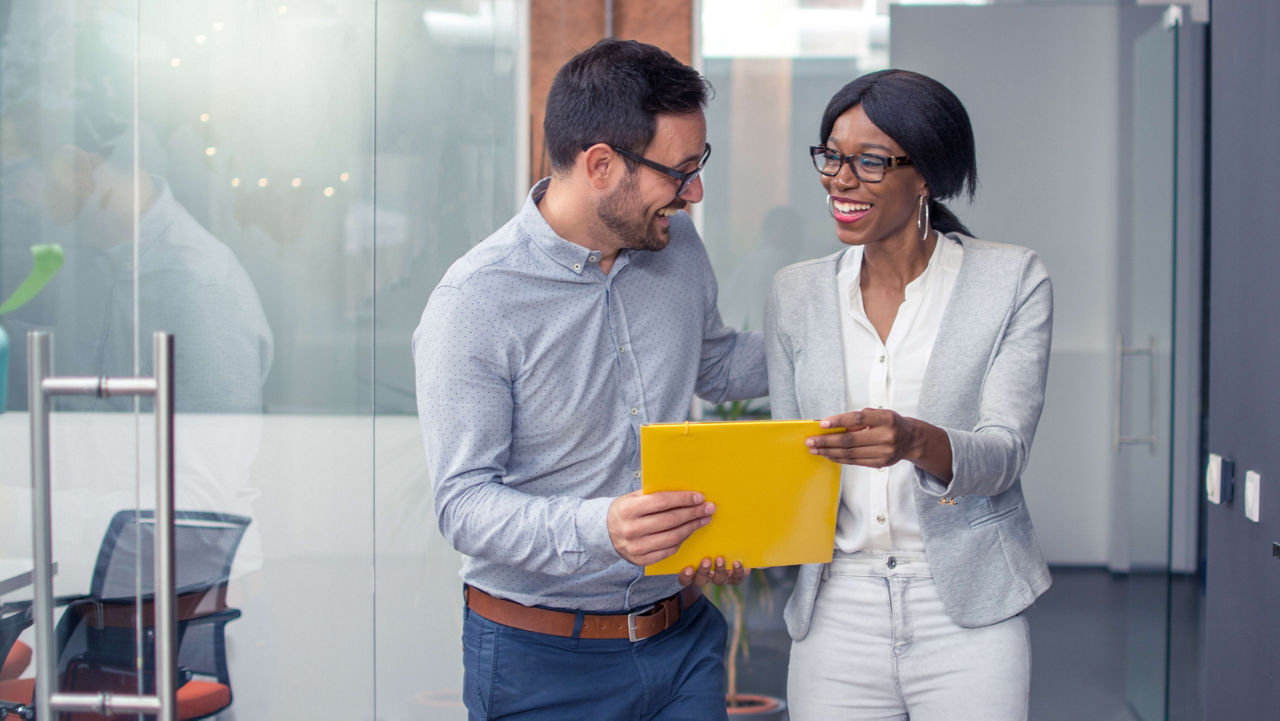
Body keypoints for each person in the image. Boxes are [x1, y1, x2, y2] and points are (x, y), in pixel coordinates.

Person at [413, 38, 767, 720]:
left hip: (683, 638)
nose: (693, 193)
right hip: (539, 661)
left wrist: (854, 324)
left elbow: (716, 362)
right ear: (601, 165)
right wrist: (601, 526)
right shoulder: (475, 302)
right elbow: (462, 503)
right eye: (681, 170)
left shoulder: (676, 246)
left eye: (700, 165)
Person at [764, 69, 1053, 720]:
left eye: (868, 161)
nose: (840, 178)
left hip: (968, 605)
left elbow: (1005, 453)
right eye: (832, 156)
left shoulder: (1011, 279)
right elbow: (792, 463)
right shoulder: (796, 294)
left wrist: (913, 440)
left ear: (925, 173)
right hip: (837, 605)